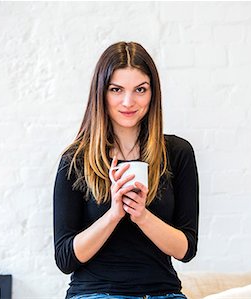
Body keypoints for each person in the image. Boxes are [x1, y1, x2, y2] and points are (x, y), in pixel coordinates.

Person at [53, 41, 199, 299]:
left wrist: (141, 215)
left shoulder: (178, 153)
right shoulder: (76, 160)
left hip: (162, 293)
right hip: (96, 293)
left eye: (140, 89)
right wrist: (113, 214)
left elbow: (185, 250)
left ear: (152, 93)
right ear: (101, 93)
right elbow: (65, 259)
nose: (128, 101)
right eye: (116, 89)